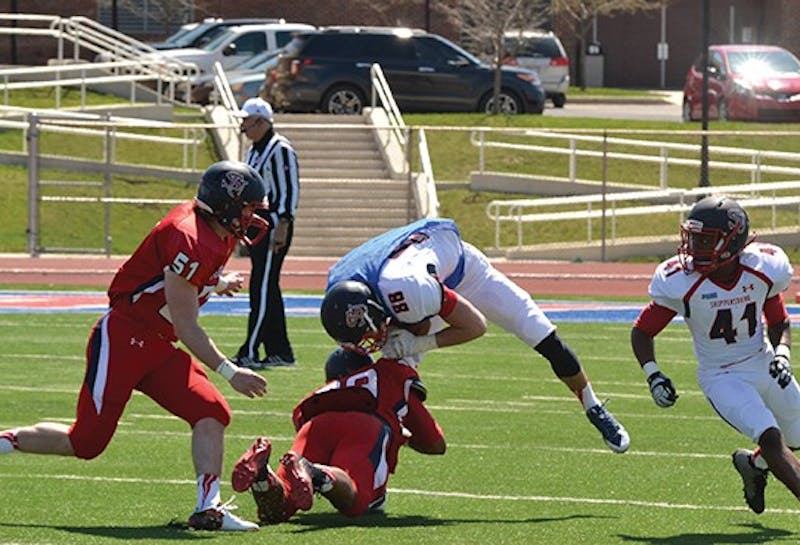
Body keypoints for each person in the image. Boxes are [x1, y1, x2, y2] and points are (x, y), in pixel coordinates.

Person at [0, 161, 270, 531]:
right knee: (86, 442)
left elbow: (179, 282)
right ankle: (5, 440)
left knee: (211, 411)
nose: (251, 215)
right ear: (225, 205)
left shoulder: (213, 231)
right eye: (247, 207)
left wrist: (216, 282)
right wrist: (230, 370)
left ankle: (209, 509)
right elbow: (186, 323)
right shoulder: (188, 235)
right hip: (125, 338)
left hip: (157, 345)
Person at [319, 217, 630, 453]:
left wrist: (417, 343)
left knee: (541, 334)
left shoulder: (403, 289)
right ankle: (377, 454)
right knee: (390, 377)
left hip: (465, 275)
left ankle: (593, 406)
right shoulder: (340, 289)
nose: (371, 337)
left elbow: (474, 325)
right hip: (418, 279)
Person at [631, 195, 800, 514]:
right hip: (721, 375)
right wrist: (653, 373)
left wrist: (782, 353)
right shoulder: (681, 282)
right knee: (771, 436)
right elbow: (643, 330)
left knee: (795, 436)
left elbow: (778, 320)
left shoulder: (763, 270)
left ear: (733, 240)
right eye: (693, 238)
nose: (694, 248)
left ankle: (752, 464)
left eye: (705, 240)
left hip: (763, 362)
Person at [230, 347, 445, 523]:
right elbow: (435, 444)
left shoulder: (320, 394)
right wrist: (402, 435)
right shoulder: (387, 376)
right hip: (364, 425)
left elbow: (304, 421)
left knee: (279, 509)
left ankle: (262, 476)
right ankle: (315, 472)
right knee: (357, 500)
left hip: (315, 425)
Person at [233, 96, 300, 369]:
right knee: (267, 286)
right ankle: (279, 350)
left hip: (273, 224)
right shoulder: (255, 151)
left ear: (262, 121)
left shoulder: (279, 148)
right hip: (258, 224)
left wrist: (283, 223)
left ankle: (250, 349)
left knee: (260, 286)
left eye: (247, 120)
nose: (243, 125)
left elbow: (289, 189)